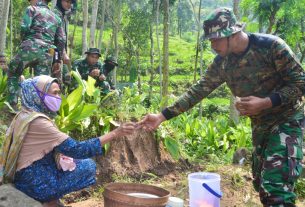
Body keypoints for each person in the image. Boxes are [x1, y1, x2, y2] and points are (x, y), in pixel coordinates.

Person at [139, 7, 305, 207]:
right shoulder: (222, 63)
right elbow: (198, 91)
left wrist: (265, 102)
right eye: (210, 40)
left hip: (287, 120)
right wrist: (162, 116)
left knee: (276, 187)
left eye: (215, 39)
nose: (212, 45)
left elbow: (300, 83)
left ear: (232, 34)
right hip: (261, 126)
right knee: (262, 185)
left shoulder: (271, 47)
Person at [0, 75, 137, 207]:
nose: (58, 98)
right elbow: (78, 149)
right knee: (88, 166)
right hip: (34, 183)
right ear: (38, 95)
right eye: (54, 93)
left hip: (25, 176)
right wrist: (115, 133)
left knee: (65, 162)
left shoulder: (24, 114)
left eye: (59, 93)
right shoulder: (39, 122)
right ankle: (48, 200)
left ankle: (51, 199)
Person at [7, 0, 66, 109]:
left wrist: (24, 42)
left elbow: (24, 28)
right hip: (47, 53)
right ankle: (41, 110)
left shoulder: (32, 9)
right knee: (43, 83)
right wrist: (57, 60)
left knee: (13, 71)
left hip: (30, 47)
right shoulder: (56, 18)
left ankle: (13, 105)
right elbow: (61, 40)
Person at [53, 0, 77, 88]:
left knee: (66, 79)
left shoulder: (63, 15)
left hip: (59, 52)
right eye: (67, 1)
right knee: (56, 80)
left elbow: (74, 8)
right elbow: (57, 38)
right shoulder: (56, 14)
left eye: (70, 3)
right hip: (55, 52)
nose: (69, 5)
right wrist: (63, 53)